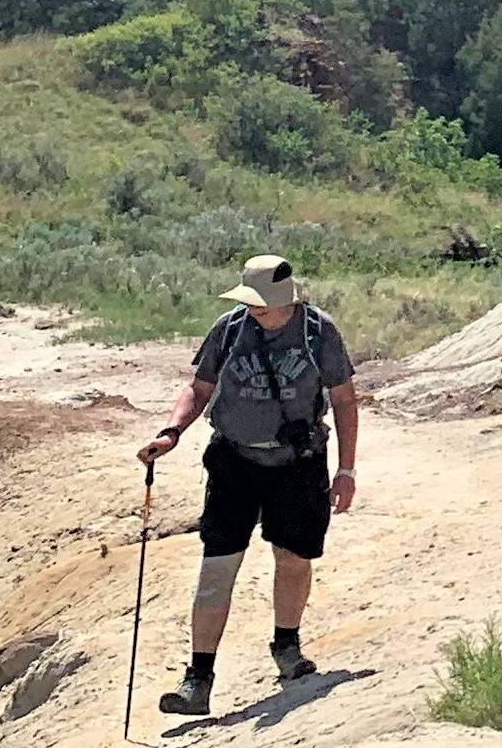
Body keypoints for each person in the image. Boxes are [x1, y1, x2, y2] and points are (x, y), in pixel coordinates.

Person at [139, 253, 360, 716]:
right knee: (217, 567)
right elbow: (199, 388)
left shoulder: (319, 332)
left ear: (285, 300)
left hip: (298, 465)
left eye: (262, 303)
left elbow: (343, 400)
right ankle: (197, 679)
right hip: (234, 460)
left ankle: (287, 647)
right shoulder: (230, 328)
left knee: (294, 558)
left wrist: (346, 470)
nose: (254, 310)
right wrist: (171, 432)